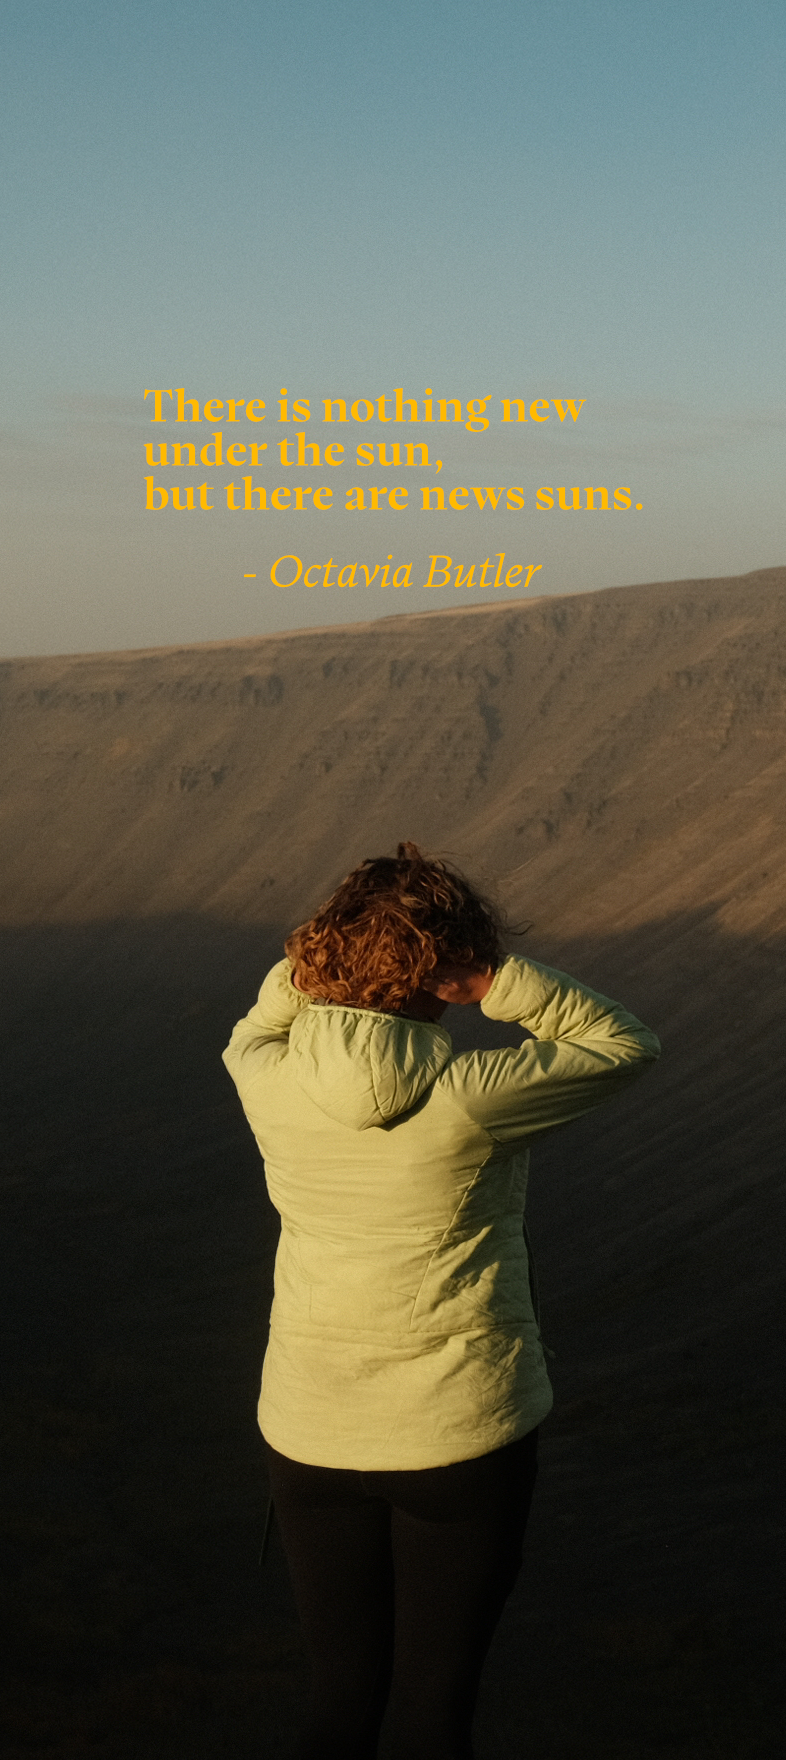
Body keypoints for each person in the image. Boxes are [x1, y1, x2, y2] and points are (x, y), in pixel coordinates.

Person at [223, 842, 660, 1760]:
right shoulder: (470, 1098)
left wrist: (309, 971)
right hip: (460, 1435)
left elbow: (249, 1033)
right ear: (443, 970)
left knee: (339, 1704)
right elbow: (625, 1044)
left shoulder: (268, 1083)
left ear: (322, 957)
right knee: (432, 1714)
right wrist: (494, 984)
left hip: (309, 1431)